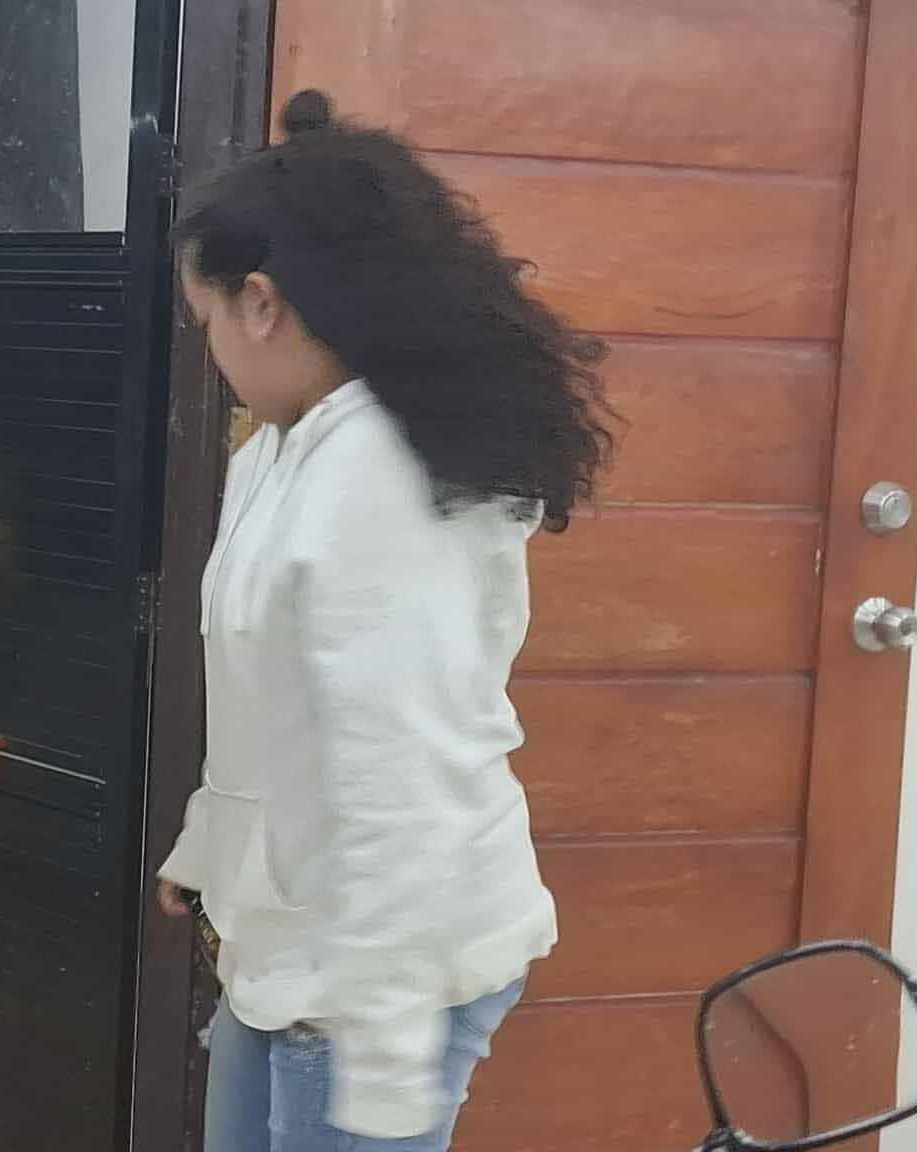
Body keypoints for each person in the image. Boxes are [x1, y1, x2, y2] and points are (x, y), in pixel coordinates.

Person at [156, 90, 612, 1152]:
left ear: (259, 303)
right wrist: (212, 845)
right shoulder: (284, 446)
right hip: (296, 945)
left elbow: (402, 768)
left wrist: (387, 1053)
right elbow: (265, 696)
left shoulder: (380, 480)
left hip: (376, 974)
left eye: (204, 322)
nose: (209, 350)